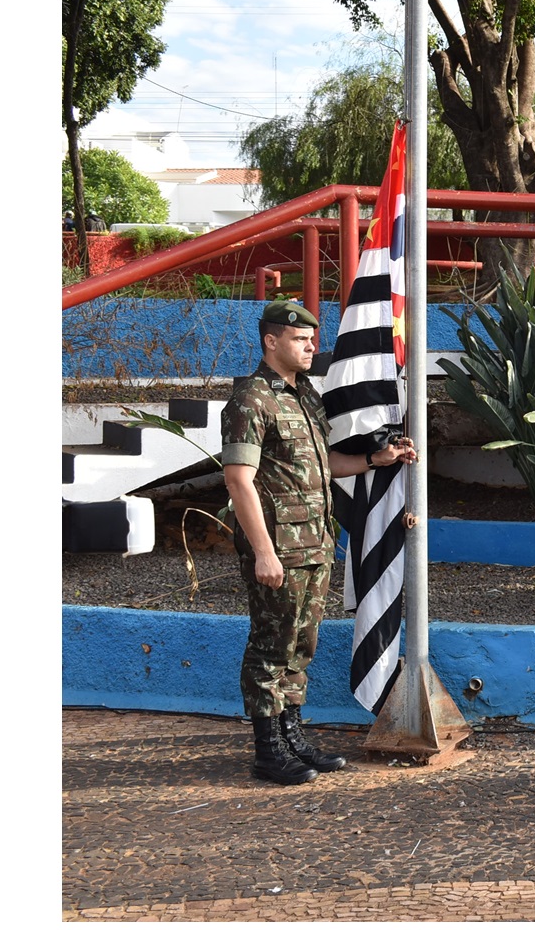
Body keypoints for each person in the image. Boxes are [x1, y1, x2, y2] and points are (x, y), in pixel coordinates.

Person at [222, 300, 417, 785]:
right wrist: (264, 551)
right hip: (278, 549)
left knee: (301, 644)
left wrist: (377, 460)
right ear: (271, 341)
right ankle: (269, 750)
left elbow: (324, 465)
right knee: (272, 645)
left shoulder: (306, 395)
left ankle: (292, 737)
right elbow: (238, 480)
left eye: (312, 339)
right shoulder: (251, 401)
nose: (311, 346)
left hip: (314, 543)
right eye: (299, 339)